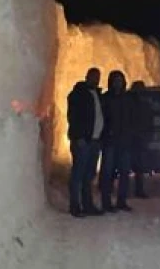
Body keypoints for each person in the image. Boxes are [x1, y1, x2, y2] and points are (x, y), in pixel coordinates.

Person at [66, 67, 104, 218]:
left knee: (89, 175)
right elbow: (73, 117)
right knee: (78, 174)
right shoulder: (78, 94)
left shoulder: (98, 94)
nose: (95, 79)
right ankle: (75, 205)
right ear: (86, 76)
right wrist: (78, 137)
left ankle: (88, 204)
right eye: (93, 76)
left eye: (97, 77)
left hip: (95, 141)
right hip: (83, 141)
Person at [99, 70, 134, 213]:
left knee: (125, 173)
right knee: (108, 173)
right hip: (110, 141)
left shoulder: (126, 99)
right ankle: (106, 202)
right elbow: (101, 118)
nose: (118, 83)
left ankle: (121, 201)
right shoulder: (106, 98)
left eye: (120, 80)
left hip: (124, 141)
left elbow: (131, 118)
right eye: (115, 80)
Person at [129, 80, 152, 199]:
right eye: (138, 88)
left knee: (139, 166)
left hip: (141, 137)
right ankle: (128, 191)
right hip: (130, 138)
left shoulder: (146, 104)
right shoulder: (128, 102)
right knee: (126, 165)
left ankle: (139, 189)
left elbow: (149, 120)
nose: (140, 91)